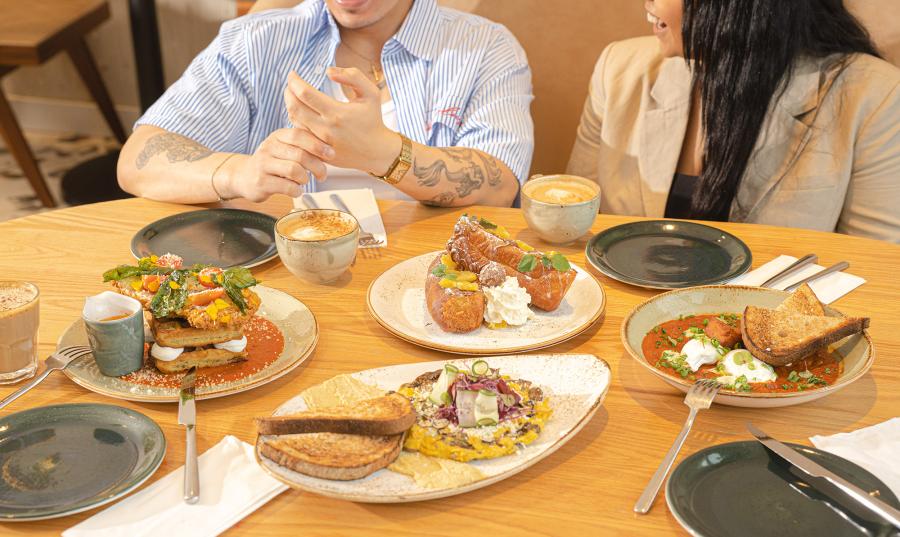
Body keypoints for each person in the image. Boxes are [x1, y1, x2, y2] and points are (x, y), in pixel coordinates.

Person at [117, 0, 533, 207]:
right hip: (283, 282)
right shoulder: (254, 42)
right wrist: (239, 172)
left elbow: (501, 183)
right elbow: (138, 159)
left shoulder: (485, 48)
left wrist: (385, 154)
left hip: (433, 278)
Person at [567, 0, 900, 242]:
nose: (648, 2)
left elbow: (870, 268)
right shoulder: (619, 69)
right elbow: (575, 224)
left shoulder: (874, 95)